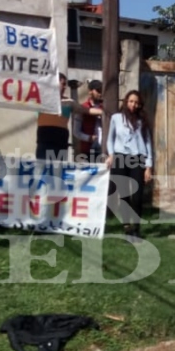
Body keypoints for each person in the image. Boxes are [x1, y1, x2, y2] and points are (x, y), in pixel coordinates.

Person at [104, 90, 154, 240]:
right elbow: (110, 139)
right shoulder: (116, 118)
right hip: (120, 158)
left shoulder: (142, 121)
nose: (134, 105)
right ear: (126, 102)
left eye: (137, 102)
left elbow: (148, 143)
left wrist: (148, 166)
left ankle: (137, 228)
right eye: (131, 101)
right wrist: (111, 154)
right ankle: (127, 227)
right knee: (123, 194)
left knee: (137, 196)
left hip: (137, 159)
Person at [37, 73, 102, 163]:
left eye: (65, 85)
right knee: (42, 167)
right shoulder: (42, 99)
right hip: (44, 140)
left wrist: (104, 112)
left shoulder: (69, 102)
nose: (64, 87)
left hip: (60, 141)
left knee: (58, 169)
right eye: (62, 84)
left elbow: (86, 110)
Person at [75, 80, 104, 162]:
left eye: (102, 91)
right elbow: (76, 131)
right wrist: (88, 138)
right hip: (87, 149)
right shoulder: (82, 108)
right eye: (98, 91)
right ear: (90, 91)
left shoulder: (106, 107)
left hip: (103, 148)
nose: (100, 93)